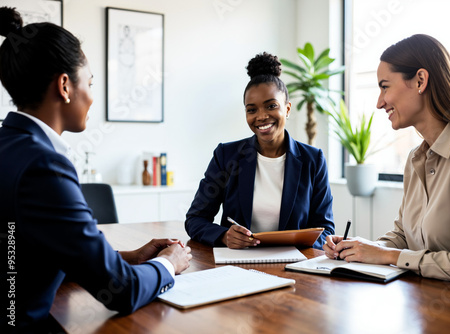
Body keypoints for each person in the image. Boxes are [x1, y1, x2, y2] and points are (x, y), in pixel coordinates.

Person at [0, 7, 192, 332]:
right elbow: (121, 291)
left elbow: (34, 250)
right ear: (64, 85)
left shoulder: (11, 145)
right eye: (89, 81)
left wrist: (128, 257)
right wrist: (169, 264)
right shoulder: (44, 165)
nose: (92, 96)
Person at [324, 34, 450, 288]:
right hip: (424, 309)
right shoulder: (415, 158)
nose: (379, 102)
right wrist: (359, 249)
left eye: (385, 86)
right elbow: (403, 236)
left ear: (420, 80)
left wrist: (389, 256)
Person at [185, 52, 335, 250]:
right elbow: (195, 219)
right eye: (252, 109)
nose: (261, 116)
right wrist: (224, 236)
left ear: (287, 109)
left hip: (294, 266)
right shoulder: (226, 156)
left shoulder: (313, 160)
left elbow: (325, 230)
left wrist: (298, 244)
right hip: (238, 265)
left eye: (271, 106)